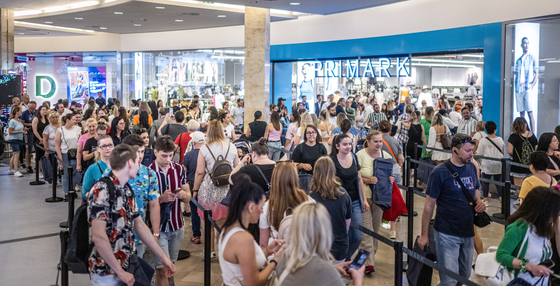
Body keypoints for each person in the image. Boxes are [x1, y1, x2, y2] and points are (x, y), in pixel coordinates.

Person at [87, 144, 175, 286]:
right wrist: (119, 271)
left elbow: (139, 225)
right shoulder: (102, 190)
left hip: (127, 264)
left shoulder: (126, 189)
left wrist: (163, 256)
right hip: (108, 272)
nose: (139, 165)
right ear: (129, 163)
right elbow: (98, 236)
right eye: (137, 161)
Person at [418, 134, 486, 286]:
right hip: (446, 233)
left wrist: (479, 201)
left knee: (464, 275)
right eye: (468, 151)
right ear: (455, 150)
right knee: (449, 280)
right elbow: (429, 205)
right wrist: (424, 235)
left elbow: (475, 189)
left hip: (468, 231)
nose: (471, 154)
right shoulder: (439, 172)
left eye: (472, 150)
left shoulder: (471, 167)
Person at [219, 173, 285, 286]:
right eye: (261, 207)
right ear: (251, 207)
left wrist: (268, 250)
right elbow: (253, 282)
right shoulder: (243, 239)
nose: (262, 211)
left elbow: (245, 261)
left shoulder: (228, 229)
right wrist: (275, 261)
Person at [276, 202, 365, 286]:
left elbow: (305, 276)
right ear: (326, 231)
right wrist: (358, 279)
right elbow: (316, 272)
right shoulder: (324, 270)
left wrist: (332, 268)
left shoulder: (285, 258)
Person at [104, 134, 161, 259]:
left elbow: (154, 204)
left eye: (142, 151)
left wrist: (155, 234)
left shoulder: (149, 174)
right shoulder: (110, 173)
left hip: (139, 235)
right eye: (136, 152)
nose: (140, 156)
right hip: (115, 237)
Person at [495, 187, 560, 285]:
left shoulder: (544, 228)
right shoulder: (519, 228)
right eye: (555, 211)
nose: (557, 214)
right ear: (544, 211)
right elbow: (501, 255)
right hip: (519, 281)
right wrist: (527, 265)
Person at [193, 120, 239, 256]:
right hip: (226, 190)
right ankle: (223, 252)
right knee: (223, 224)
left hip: (208, 189)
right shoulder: (232, 147)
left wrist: (195, 190)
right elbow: (237, 167)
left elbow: (200, 171)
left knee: (206, 221)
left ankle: (209, 251)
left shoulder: (204, 149)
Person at [149, 135, 191, 286]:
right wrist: (160, 199)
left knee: (171, 265)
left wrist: (183, 195)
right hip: (158, 228)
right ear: (155, 153)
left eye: (171, 156)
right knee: (162, 268)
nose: (168, 159)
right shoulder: (148, 172)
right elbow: (143, 204)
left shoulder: (178, 169)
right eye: (164, 156)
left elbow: (188, 196)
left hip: (176, 225)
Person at [356, 131, 395, 272]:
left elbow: (392, 173)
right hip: (364, 198)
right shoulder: (360, 156)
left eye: (380, 141)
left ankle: (370, 257)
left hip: (380, 199)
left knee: (375, 230)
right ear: (368, 141)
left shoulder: (386, 156)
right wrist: (367, 180)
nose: (379, 144)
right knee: (367, 232)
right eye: (376, 141)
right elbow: (357, 177)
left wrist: (391, 179)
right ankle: (368, 263)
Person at [331, 134, 369, 261]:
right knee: (344, 234)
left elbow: (359, 180)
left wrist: (364, 199)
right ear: (337, 146)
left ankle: (346, 259)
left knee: (357, 236)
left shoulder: (354, 157)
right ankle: (342, 262)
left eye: (350, 144)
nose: (348, 147)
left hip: (355, 201)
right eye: (345, 144)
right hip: (339, 203)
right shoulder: (332, 161)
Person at [308, 156, 353, 263]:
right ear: (333, 171)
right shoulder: (343, 194)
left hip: (317, 249)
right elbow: (347, 223)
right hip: (339, 248)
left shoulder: (310, 197)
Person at [259, 160, 310, 247]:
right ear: (295, 179)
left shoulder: (267, 207)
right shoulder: (308, 201)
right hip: (302, 252)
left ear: (274, 180)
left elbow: (263, 243)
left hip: (278, 252)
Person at [181, 132, 204, 245]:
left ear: (193, 142)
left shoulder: (189, 155)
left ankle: (196, 235)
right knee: (206, 210)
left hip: (192, 185)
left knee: (194, 211)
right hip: (206, 186)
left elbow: (183, 170)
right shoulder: (207, 154)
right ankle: (209, 235)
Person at [475, 121, 504, 203]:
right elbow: (503, 151)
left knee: (485, 182)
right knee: (498, 182)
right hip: (498, 164)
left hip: (487, 164)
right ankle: (501, 198)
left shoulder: (483, 140)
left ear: (486, 130)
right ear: (495, 130)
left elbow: (479, 153)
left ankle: (485, 199)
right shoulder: (500, 139)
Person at [514, 37, 538, 133]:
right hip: (519, 88)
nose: (526, 45)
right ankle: (522, 132)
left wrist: (532, 85)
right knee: (521, 113)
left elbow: (536, 73)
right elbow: (516, 74)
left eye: (527, 43)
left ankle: (533, 133)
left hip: (527, 88)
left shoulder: (532, 57)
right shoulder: (518, 60)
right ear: (521, 45)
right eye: (524, 43)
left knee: (530, 112)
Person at [56, 113, 81, 200]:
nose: (75, 121)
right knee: (65, 174)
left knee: (74, 172)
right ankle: (67, 192)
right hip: (64, 153)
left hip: (75, 153)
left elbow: (80, 141)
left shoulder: (78, 129)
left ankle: (72, 190)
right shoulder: (60, 130)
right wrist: (59, 157)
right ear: (68, 120)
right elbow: (57, 144)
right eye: (73, 119)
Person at [508, 117, 538, 188]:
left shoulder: (513, 136)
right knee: (530, 187)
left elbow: (509, 151)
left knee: (519, 188)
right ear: (525, 124)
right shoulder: (533, 136)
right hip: (531, 166)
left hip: (517, 166)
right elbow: (536, 150)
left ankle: (521, 199)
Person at [81, 135, 113, 201]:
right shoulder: (92, 169)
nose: (107, 148)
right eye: (104, 146)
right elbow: (84, 194)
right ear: (98, 149)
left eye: (110, 145)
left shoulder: (121, 166)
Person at [379, 120, 404, 184]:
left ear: (379, 128)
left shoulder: (375, 140)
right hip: (394, 170)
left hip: (380, 170)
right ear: (390, 129)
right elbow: (401, 159)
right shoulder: (395, 141)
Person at [8, 106, 27, 177]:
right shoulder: (12, 121)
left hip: (19, 139)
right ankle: (16, 170)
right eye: (20, 111)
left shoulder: (18, 120)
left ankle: (11, 168)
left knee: (14, 154)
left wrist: (24, 129)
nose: (21, 112)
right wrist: (21, 131)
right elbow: (10, 131)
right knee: (17, 154)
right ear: (17, 112)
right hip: (14, 139)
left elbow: (20, 128)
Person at [21, 101, 37, 173]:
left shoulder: (37, 112)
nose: (32, 110)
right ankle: (29, 165)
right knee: (28, 149)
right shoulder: (24, 113)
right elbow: (22, 123)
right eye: (30, 108)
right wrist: (32, 124)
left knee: (37, 149)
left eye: (33, 108)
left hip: (36, 133)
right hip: (28, 133)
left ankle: (38, 165)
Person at [32, 106, 49, 175]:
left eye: (45, 110)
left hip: (45, 139)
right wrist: (40, 139)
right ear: (39, 111)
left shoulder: (47, 119)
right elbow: (35, 131)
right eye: (43, 110)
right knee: (39, 156)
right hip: (38, 139)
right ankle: (38, 172)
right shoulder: (36, 119)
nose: (45, 111)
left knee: (44, 155)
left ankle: (44, 170)